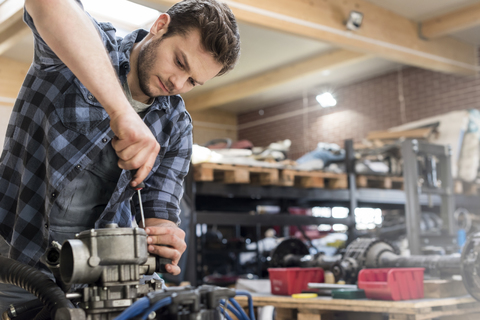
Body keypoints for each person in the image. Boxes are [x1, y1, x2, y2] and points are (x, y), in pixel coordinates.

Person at [0, 0, 240, 311]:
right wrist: (121, 112)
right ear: (160, 26)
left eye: (193, 81)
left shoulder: (176, 124)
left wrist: (165, 236)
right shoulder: (83, 49)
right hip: (13, 260)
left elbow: (158, 214)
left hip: (97, 284)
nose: (178, 84)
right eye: (180, 63)